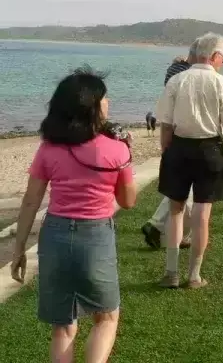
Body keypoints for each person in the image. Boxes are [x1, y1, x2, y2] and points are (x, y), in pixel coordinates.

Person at [11, 68, 137, 363]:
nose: (109, 102)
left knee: (63, 328)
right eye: (104, 98)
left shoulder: (48, 149)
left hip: (54, 235)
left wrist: (19, 249)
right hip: (95, 236)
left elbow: (30, 202)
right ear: (91, 106)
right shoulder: (116, 149)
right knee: (106, 318)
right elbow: (128, 201)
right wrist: (126, 158)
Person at [155, 32, 223, 289]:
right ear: (215, 56)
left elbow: (166, 125)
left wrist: (166, 151)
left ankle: (171, 272)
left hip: (179, 148)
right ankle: (194, 275)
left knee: (175, 211)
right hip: (210, 150)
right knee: (202, 215)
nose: (222, 63)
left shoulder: (177, 81)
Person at [141, 39, 198, 251]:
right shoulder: (189, 75)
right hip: (185, 131)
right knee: (188, 187)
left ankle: (161, 226)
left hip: (172, 127)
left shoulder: (175, 68)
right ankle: (167, 229)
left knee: (183, 185)